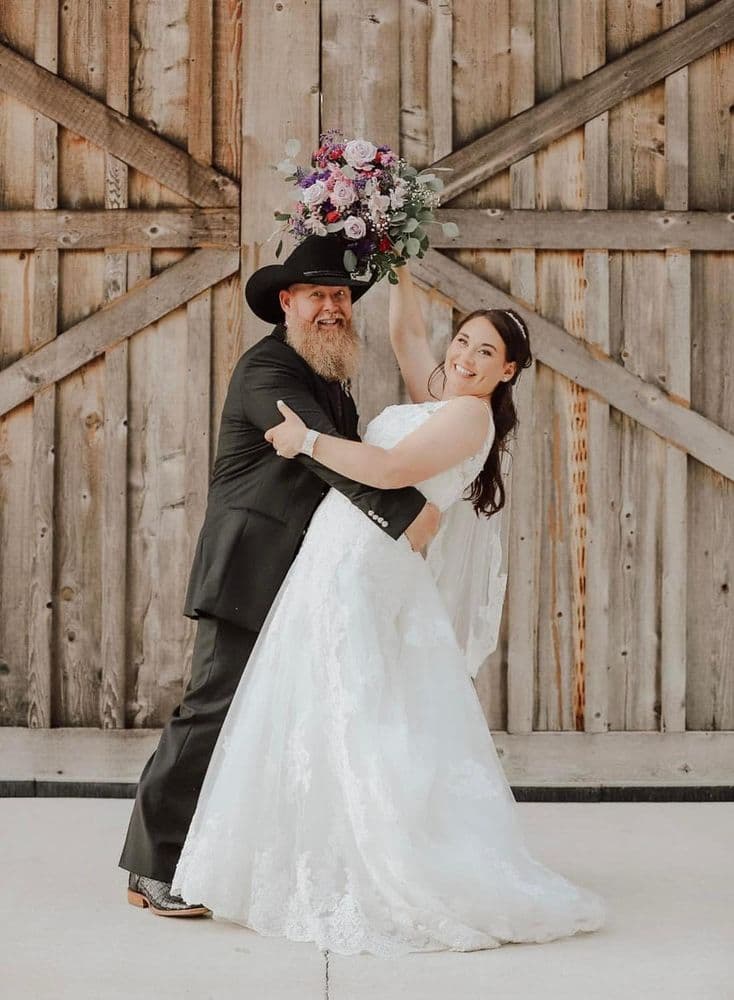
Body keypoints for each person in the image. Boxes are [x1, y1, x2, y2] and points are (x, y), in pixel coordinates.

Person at [170, 263, 607, 955]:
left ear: (509, 372)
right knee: (320, 708)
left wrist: (305, 440)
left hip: (363, 565)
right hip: (336, 555)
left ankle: (381, 860)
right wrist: (402, 259)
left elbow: (391, 472)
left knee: (356, 710)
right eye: (461, 341)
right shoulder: (440, 393)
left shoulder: (467, 413)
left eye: (484, 352)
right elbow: (407, 336)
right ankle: (318, 846)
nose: (463, 356)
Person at [120, 235, 441, 916]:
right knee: (210, 711)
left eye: (342, 296)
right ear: (286, 303)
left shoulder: (326, 378)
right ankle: (151, 868)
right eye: (318, 296)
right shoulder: (268, 371)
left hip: (303, 576)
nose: (333, 308)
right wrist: (409, 515)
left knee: (275, 721)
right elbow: (327, 459)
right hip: (249, 567)